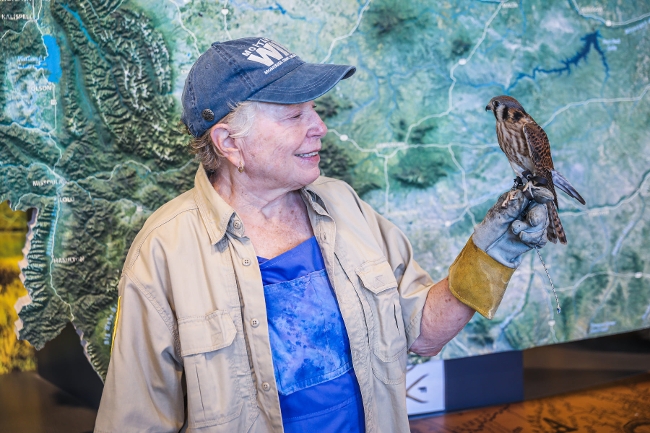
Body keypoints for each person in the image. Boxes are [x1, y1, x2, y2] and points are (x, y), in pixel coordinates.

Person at [94, 37, 551, 433]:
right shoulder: (163, 253)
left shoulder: (342, 203)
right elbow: (135, 422)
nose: (320, 127)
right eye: (295, 115)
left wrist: (494, 253)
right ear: (230, 143)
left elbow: (423, 333)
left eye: (313, 109)